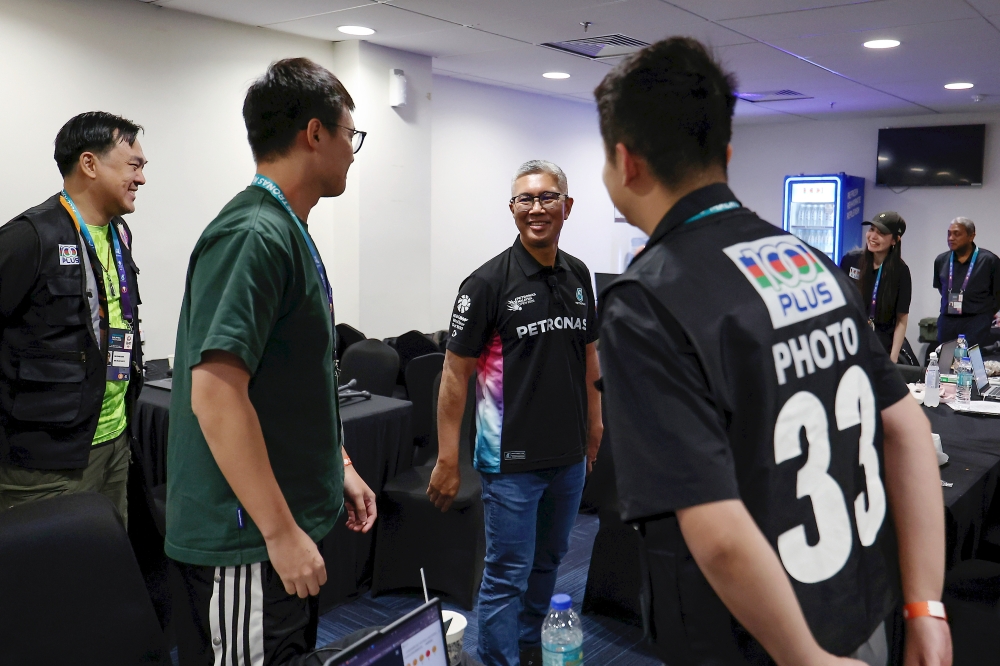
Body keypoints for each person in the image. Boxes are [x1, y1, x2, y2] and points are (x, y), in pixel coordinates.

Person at [595, 37, 951, 665]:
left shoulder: (646, 299)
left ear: (625, 163)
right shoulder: (808, 260)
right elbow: (908, 430)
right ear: (726, 154)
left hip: (759, 638)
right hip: (866, 607)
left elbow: (719, 532)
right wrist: (927, 605)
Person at [166, 58, 377, 666]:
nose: (352, 152)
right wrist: (282, 534)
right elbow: (216, 393)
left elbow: (287, 379)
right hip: (247, 540)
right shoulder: (255, 233)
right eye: (349, 135)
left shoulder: (287, 227)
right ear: (315, 134)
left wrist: (335, 461)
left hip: (275, 524)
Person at [426, 160, 603, 666]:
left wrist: (595, 424)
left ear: (567, 207)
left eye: (547, 198)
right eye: (524, 200)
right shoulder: (485, 283)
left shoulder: (577, 274)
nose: (536, 209)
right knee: (507, 574)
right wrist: (446, 459)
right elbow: (454, 375)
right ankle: (500, 660)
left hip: (568, 456)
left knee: (549, 563)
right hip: (509, 462)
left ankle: (528, 649)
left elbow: (589, 354)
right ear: (512, 209)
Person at [0, 112, 146, 527]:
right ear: (89, 164)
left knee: (101, 579)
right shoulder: (31, 236)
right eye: (133, 165)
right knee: (46, 585)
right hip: (46, 464)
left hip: (113, 445)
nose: (141, 179)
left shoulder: (118, 233)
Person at [839, 212, 911, 362]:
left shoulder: (901, 272)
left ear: (895, 240)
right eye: (871, 229)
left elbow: (901, 320)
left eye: (881, 233)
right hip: (850, 340)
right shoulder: (851, 260)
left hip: (881, 346)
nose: (872, 236)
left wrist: (893, 358)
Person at [933, 217, 1000, 350]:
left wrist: (986, 314)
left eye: (956, 233)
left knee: (967, 364)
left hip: (976, 321)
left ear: (971, 236)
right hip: (948, 320)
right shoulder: (941, 260)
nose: (951, 238)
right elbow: (941, 288)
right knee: (946, 363)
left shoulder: (989, 261)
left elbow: (998, 293)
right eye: (949, 233)